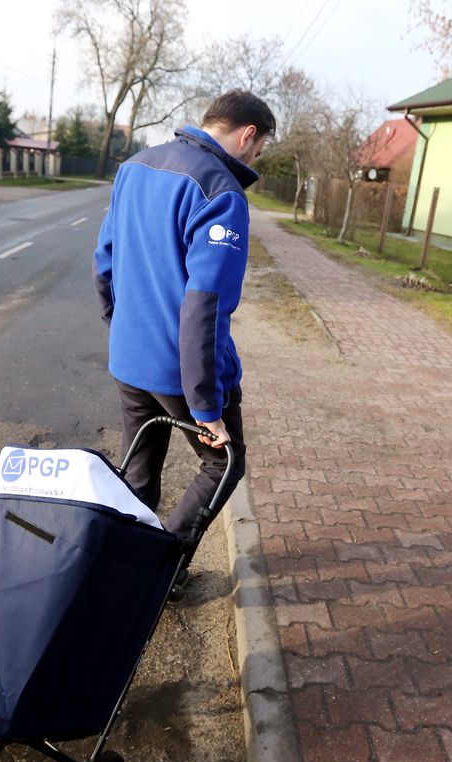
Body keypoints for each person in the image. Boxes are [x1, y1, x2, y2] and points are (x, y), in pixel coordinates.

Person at [93, 89, 275, 587]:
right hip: (180, 371)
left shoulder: (135, 167)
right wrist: (206, 403)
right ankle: (158, 573)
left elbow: (104, 261)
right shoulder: (220, 191)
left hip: (129, 359)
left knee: (138, 474)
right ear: (248, 135)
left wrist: (121, 328)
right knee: (222, 464)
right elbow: (206, 305)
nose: (254, 159)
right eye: (257, 151)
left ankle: (118, 565)